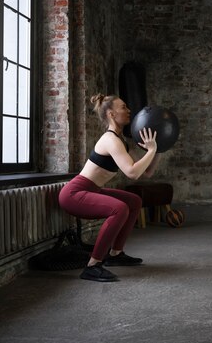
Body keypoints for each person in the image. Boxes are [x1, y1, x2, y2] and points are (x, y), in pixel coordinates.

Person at [59, 94, 160, 282]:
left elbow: (146, 172)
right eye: (123, 107)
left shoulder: (121, 141)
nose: (129, 110)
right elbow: (132, 173)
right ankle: (93, 265)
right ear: (112, 114)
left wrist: (157, 150)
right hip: (74, 193)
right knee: (119, 208)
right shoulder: (110, 140)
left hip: (91, 190)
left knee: (133, 201)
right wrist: (151, 151)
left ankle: (115, 254)